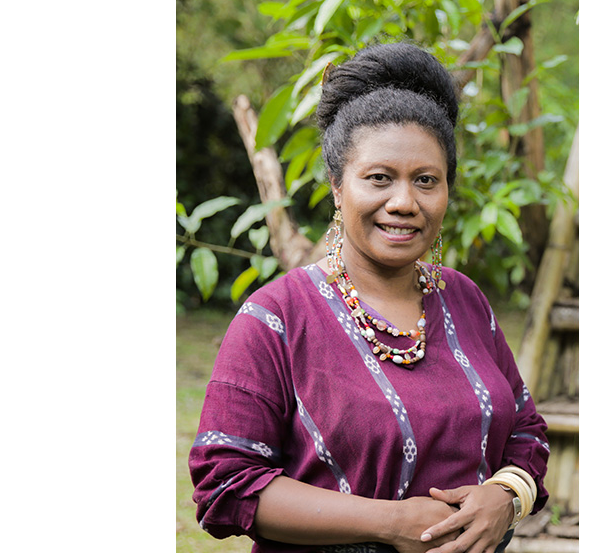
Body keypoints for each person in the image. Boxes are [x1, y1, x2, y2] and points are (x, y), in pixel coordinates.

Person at [189, 42, 550, 553]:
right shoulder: (277, 319)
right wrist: (389, 523)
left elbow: (526, 429)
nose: (404, 203)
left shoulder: (464, 300)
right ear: (338, 187)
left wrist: (507, 496)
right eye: (379, 178)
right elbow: (225, 484)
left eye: (426, 181)